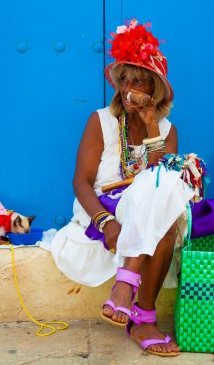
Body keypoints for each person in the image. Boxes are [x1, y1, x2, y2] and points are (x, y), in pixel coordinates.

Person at [50, 19, 196, 357]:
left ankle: (126, 291)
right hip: (103, 210)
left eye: (139, 80)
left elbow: (166, 182)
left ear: (154, 89)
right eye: (124, 80)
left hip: (146, 211)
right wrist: (106, 221)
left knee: (163, 187)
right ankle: (143, 317)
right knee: (160, 205)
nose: (128, 87)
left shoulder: (166, 129)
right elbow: (81, 182)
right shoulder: (100, 121)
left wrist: (149, 124)